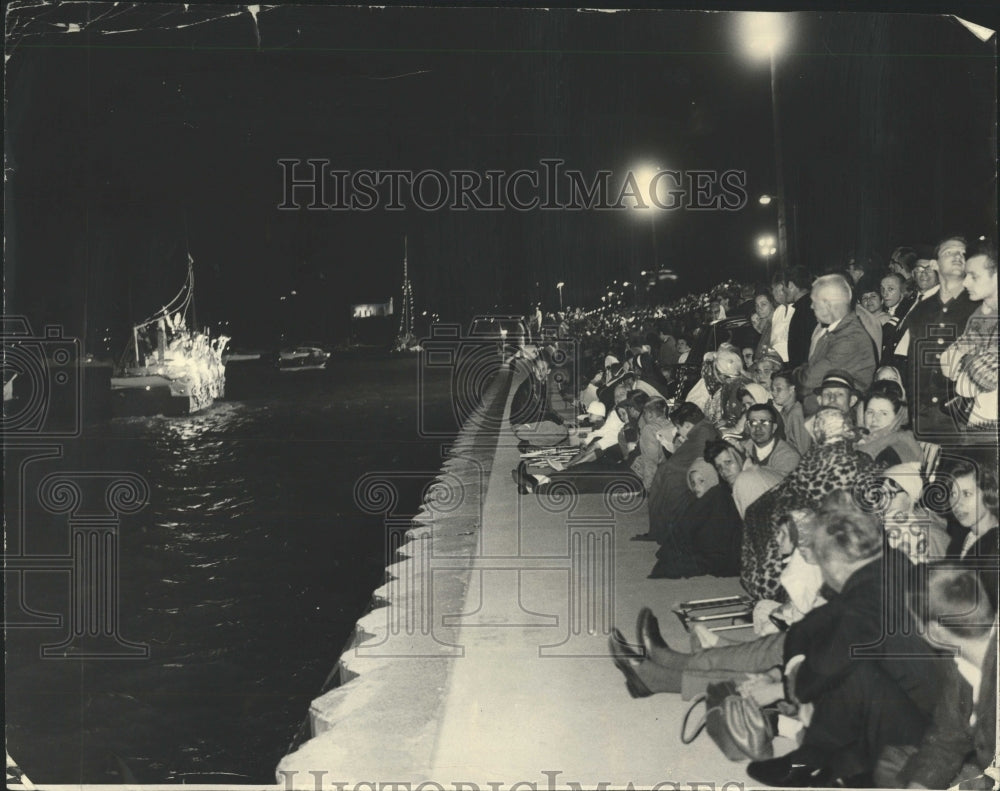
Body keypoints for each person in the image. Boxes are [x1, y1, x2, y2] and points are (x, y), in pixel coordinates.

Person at [876, 566, 997, 789]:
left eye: (916, 622)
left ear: (935, 631)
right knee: (890, 760)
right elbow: (946, 739)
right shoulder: (959, 661)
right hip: (984, 767)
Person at [903, 237, 981, 437]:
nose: (958, 256)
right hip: (926, 416)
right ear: (934, 264)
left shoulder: (980, 307)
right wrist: (914, 415)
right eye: (949, 252)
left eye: (963, 253)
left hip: (965, 417)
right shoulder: (921, 310)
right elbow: (914, 367)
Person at [647, 458, 742, 579]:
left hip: (720, 552)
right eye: (693, 483)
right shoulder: (697, 501)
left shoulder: (720, 498)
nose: (696, 487)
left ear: (711, 479)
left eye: (701, 481)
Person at [796, 274, 877, 415]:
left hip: (841, 419)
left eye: (814, 301)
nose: (811, 306)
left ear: (829, 305)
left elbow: (808, 380)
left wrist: (796, 373)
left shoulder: (850, 337)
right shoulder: (835, 330)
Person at [939, 243, 998, 433]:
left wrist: (965, 359)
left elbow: (985, 376)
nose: (965, 283)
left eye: (974, 276)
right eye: (966, 276)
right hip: (978, 419)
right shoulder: (979, 314)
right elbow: (948, 363)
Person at [946, 458, 999, 609]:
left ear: (988, 493)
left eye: (966, 494)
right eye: (953, 494)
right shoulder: (960, 540)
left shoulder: (995, 547)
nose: (956, 503)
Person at [856, 381, 922, 466]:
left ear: (898, 416)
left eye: (884, 413)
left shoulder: (901, 446)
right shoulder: (867, 439)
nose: (874, 419)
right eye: (870, 412)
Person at [771, 369, 811, 456]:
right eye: (772, 389)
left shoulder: (796, 413)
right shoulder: (784, 411)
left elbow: (802, 449)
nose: (774, 393)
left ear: (791, 389)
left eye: (778, 389)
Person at [783, 267, 818, 368]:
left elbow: (799, 351)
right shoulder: (813, 305)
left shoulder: (802, 311)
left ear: (790, 285)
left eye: (783, 288)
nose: (784, 292)